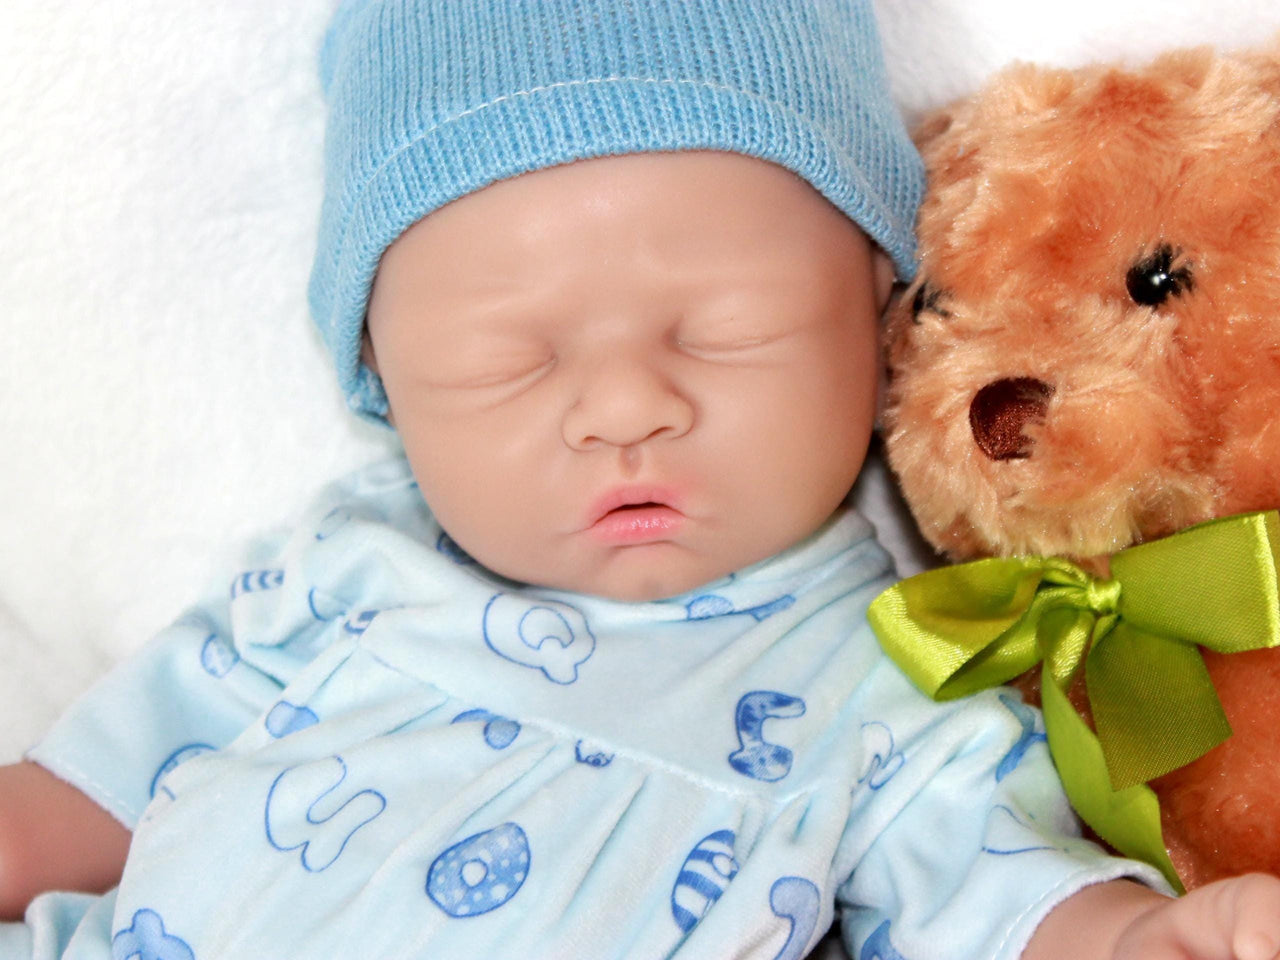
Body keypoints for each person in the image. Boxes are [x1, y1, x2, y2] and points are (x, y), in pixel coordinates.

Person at [1, 2, 1279, 958]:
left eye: (726, 329)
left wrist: (1126, 939)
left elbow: (992, 892)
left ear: (872, 313)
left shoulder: (886, 674)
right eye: (503, 361)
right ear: (383, 382)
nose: (623, 408)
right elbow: (88, 792)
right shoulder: (339, 573)